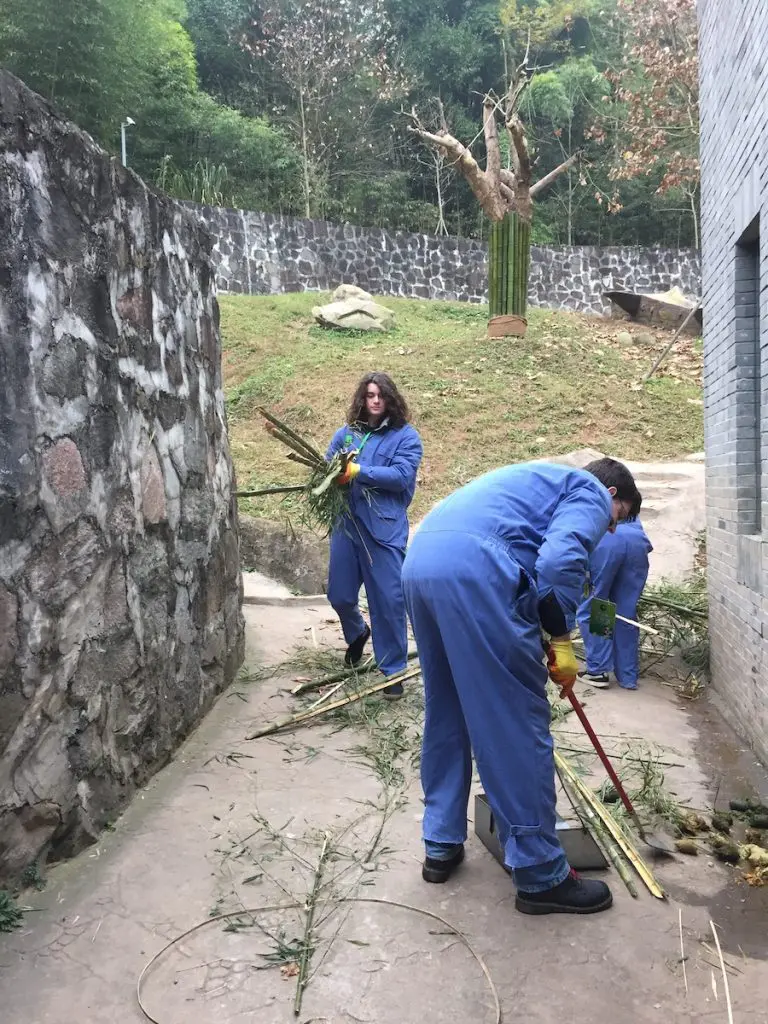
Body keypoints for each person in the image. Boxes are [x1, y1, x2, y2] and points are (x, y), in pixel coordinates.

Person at [401, 458, 642, 915]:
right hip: (475, 570)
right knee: (512, 723)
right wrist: (561, 638)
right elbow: (558, 560)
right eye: (617, 519)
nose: (609, 532)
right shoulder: (590, 489)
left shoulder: (534, 482)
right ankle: (539, 873)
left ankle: (441, 842)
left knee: (448, 711)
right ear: (612, 496)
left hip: (422, 563)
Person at [326, 373, 423, 699]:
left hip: (382, 531)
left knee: (388, 603)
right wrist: (330, 475)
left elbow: (400, 476)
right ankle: (356, 632)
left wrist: (357, 472)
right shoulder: (346, 434)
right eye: (369, 395)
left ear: (390, 398)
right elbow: (327, 464)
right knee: (338, 594)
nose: (375, 400)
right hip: (346, 526)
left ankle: (392, 671)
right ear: (362, 399)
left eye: (381, 395)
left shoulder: (406, 437)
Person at [576, 519, 653, 690]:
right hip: (636, 542)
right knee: (626, 612)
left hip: (607, 540)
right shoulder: (629, 495)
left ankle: (598, 670)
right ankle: (628, 676)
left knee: (598, 606)